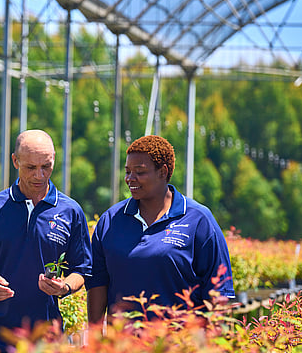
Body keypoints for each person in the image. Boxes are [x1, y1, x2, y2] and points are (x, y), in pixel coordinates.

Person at [0, 129, 92, 352]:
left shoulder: (71, 211)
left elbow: (82, 270)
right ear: (15, 161)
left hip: (46, 340)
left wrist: (64, 287)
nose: (39, 175)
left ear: (54, 160)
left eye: (46, 166)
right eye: (31, 167)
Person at [86, 135, 234, 324]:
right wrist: (95, 339)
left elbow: (218, 292)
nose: (130, 178)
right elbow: (98, 282)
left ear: (163, 172)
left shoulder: (198, 220)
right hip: (122, 344)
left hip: (180, 343)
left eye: (139, 172)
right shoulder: (110, 221)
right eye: (128, 171)